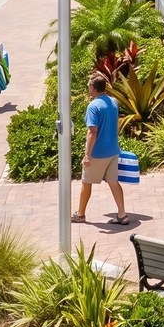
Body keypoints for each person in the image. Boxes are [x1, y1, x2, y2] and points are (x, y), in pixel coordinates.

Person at [73, 74, 128, 224]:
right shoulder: (113, 102)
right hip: (113, 151)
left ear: (92, 87)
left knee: (86, 182)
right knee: (113, 181)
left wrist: (87, 155)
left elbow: (92, 132)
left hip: (98, 153)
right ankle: (122, 214)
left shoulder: (93, 106)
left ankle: (80, 214)